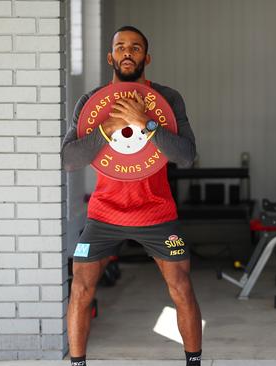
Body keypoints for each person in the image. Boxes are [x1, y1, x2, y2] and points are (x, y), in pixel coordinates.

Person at [62, 26, 202, 366]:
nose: (128, 52)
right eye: (121, 47)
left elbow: (186, 155)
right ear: (111, 56)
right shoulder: (91, 102)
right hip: (104, 214)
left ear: (146, 57)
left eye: (136, 47)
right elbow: (69, 160)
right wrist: (107, 128)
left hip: (156, 213)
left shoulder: (168, 98)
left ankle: (194, 362)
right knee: (80, 288)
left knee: (181, 287)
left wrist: (147, 123)